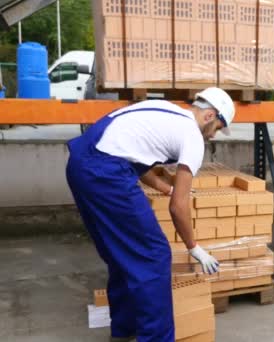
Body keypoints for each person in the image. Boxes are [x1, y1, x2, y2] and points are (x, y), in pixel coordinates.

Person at [65, 87, 235, 341]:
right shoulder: (192, 137)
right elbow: (178, 207)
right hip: (105, 174)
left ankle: (125, 330)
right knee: (154, 255)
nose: (215, 135)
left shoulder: (167, 111)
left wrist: (164, 187)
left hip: (80, 164)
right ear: (210, 116)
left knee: (121, 253)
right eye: (219, 128)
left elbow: (130, 153)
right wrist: (194, 247)